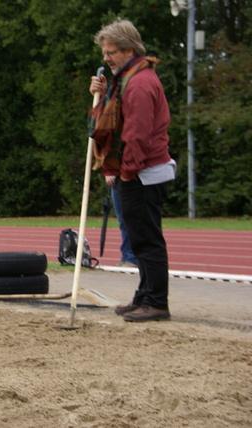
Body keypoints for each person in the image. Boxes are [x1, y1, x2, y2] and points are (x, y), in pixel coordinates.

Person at [89, 19, 176, 322]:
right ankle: (144, 296)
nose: (106, 58)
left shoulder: (139, 83)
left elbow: (137, 135)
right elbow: (111, 120)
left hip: (143, 173)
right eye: (104, 52)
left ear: (129, 50)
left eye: (111, 52)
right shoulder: (125, 79)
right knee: (139, 239)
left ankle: (156, 302)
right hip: (138, 171)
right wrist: (101, 93)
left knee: (147, 239)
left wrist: (127, 172)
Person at [105, 176, 138, 268]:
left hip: (130, 180)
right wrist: (108, 172)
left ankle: (132, 258)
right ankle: (126, 257)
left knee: (130, 220)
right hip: (116, 182)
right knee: (122, 222)